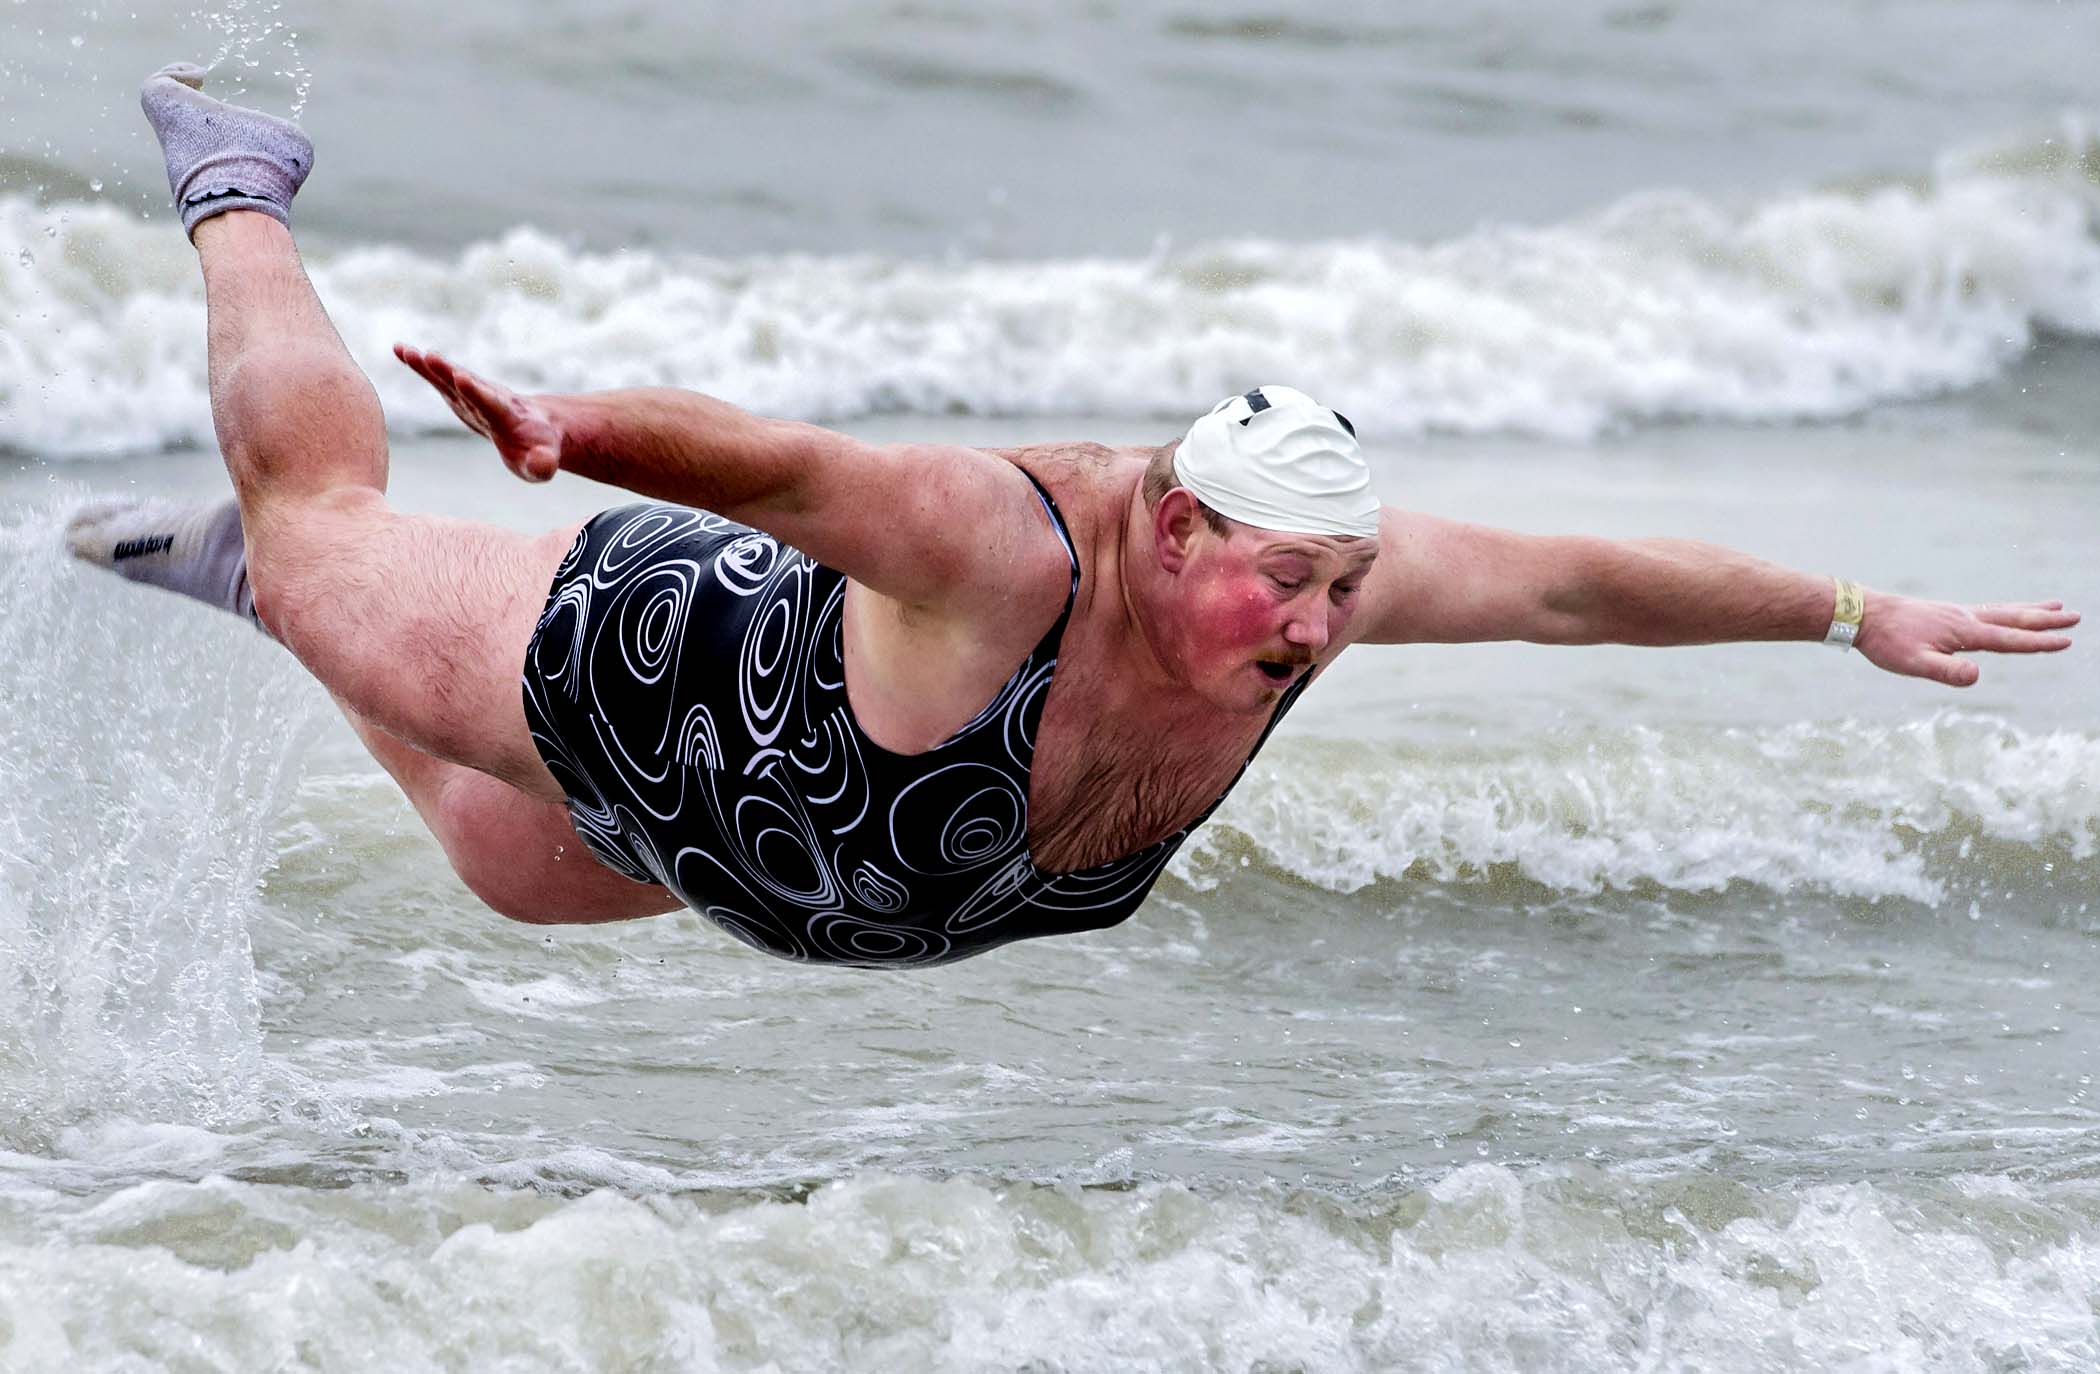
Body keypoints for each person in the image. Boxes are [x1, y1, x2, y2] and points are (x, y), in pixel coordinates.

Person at [70, 65, 2081, 966]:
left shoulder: (1329, 593)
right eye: (1287, 581)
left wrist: (1842, 610)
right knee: (336, 524)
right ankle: (237, 192)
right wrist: (572, 430)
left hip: (812, 860)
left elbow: (1573, 587)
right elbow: (795, 472)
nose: (1314, 627)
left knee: (515, 875)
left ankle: (260, 595)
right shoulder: (1013, 544)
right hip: (661, 682)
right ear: (1177, 530)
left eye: (1343, 586)